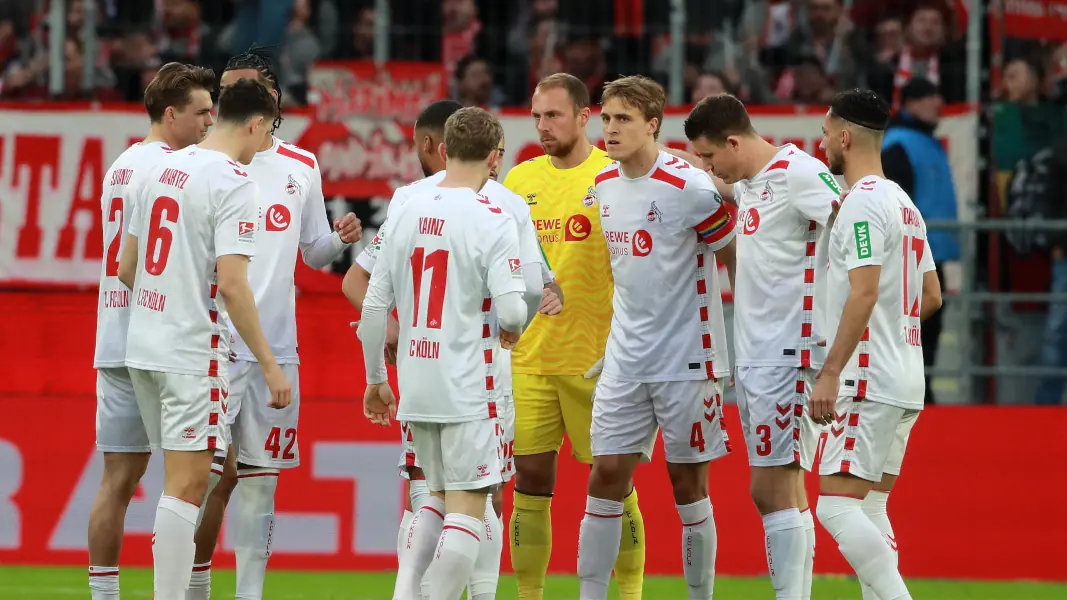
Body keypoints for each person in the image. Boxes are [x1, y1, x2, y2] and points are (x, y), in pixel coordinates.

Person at [343, 98, 554, 600]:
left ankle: (405, 591)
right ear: (494, 156)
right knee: (471, 503)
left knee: (430, 498)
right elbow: (517, 300)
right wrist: (515, 329)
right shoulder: (499, 209)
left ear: (442, 147)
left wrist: (376, 379)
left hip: (416, 382)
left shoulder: (405, 203)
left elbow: (372, 305)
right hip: (472, 381)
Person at [187, 47, 363, 600]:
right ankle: (187, 588)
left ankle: (248, 594)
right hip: (211, 345)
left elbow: (312, 251)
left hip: (276, 350)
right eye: (225, 91)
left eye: (244, 90)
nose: (231, 101)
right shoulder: (202, 162)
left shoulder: (301, 166)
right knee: (199, 480)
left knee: (262, 483)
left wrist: (339, 240)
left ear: (271, 98)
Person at [116, 78, 291, 600]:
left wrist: (168, 296)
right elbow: (234, 286)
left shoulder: (158, 166)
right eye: (270, 130)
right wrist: (269, 363)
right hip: (193, 353)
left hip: (144, 345)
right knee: (190, 483)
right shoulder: (235, 182)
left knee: (187, 480)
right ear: (257, 124)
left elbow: (127, 267)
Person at [577, 76, 737, 600]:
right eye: (605, 119)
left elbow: (734, 259)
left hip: (687, 361)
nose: (610, 129)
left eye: (623, 119)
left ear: (652, 124)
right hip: (625, 361)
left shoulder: (689, 187)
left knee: (688, 487)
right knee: (604, 478)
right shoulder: (602, 186)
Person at [685, 93, 839, 600]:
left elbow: (850, 221)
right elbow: (719, 182)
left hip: (789, 352)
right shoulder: (750, 183)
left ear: (733, 141)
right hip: (756, 354)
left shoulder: (799, 172)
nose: (710, 168)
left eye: (710, 157)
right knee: (787, 489)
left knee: (769, 488)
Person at [503, 72, 646, 600]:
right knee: (529, 484)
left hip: (599, 363)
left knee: (614, 487)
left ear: (585, 117)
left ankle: (627, 592)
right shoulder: (518, 182)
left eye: (554, 115)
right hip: (530, 361)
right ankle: (529, 594)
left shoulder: (614, 177)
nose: (542, 126)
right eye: (537, 115)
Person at [87, 61, 216, 600]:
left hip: (111, 336)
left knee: (117, 483)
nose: (210, 123)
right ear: (170, 113)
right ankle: (187, 590)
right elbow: (143, 264)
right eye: (201, 112)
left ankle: (105, 595)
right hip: (157, 340)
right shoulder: (173, 170)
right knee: (193, 476)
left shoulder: (121, 164)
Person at [812, 88, 942, 600]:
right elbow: (930, 295)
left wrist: (831, 371)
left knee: (834, 507)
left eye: (825, 134)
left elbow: (864, 291)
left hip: (867, 377)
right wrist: (894, 326)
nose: (823, 144)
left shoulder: (863, 203)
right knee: (870, 507)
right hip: (906, 375)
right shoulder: (905, 205)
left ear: (845, 136)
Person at [880, 77, 957, 405]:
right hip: (912, 255)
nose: (937, 102)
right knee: (917, 325)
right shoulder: (900, 143)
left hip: (927, 252)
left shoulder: (919, 141)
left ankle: (921, 389)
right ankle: (912, 391)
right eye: (929, 97)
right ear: (910, 104)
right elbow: (898, 200)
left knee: (928, 323)